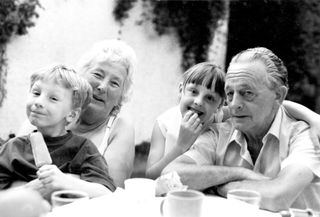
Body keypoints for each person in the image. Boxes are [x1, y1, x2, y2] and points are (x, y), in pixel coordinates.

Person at [163, 47, 320, 211]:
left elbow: (277, 197)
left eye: (247, 93)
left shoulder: (307, 136)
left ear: (278, 96)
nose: (234, 104)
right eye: (230, 93)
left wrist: (217, 185)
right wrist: (238, 173)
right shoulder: (219, 133)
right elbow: (170, 177)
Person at [19, 39, 136, 188]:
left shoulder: (120, 128)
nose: (102, 86)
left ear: (121, 97)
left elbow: (112, 187)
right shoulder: (44, 116)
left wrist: (62, 179)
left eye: (114, 83)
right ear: (80, 77)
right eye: (98, 75)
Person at [0, 65, 116, 199]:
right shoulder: (13, 148)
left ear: (71, 115)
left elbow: (106, 193)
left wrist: (65, 181)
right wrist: (29, 190)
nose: (38, 102)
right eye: (36, 93)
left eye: (53, 98)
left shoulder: (83, 148)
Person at [146, 62, 226, 179]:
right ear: (180, 90)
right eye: (193, 91)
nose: (198, 101)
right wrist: (180, 146)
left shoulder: (221, 122)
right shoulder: (164, 124)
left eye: (209, 98)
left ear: (219, 106)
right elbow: (150, 175)